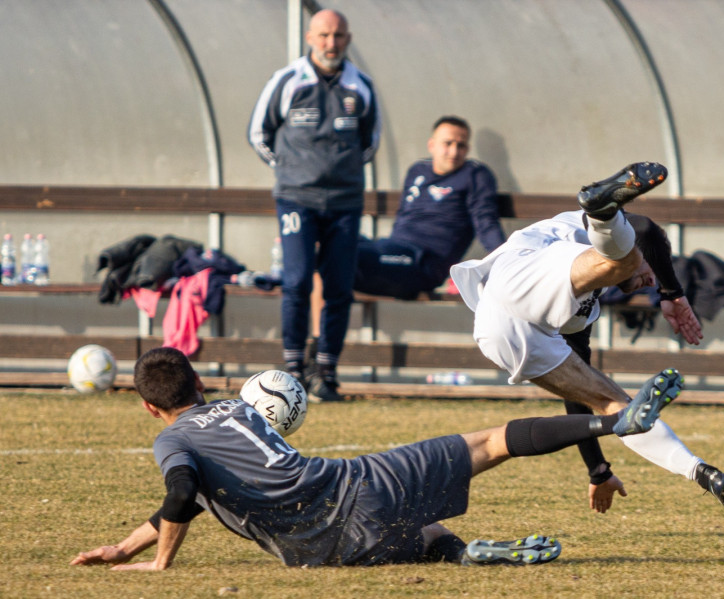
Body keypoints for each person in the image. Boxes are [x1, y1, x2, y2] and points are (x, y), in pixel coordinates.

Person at [70, 347, 682, 569]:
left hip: (311, 550)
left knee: (417, 527)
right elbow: (184, 497)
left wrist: (137, 556)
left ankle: (466, 555)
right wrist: (145, 558)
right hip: (357, 487)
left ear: (151, 409)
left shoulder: (172, 440)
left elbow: (188, 494)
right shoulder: (235, 409)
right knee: (492, 441)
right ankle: (615, 420)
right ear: (200, 383)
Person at [450, 162, 724, 527]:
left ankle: (703, 473)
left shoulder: (584, 309)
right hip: (514, 280)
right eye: (651, 274)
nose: (648, 282)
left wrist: (598, 470)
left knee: (618, 408)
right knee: (622, 259)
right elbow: (647, 229)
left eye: (651, 281)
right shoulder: (565, 232)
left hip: (501, 335)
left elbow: (578, 400)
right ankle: (602, 211)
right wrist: (672, 293)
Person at [248, 8, 381, 403]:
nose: (331, 43)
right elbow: (258, 133)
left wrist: (341, 172)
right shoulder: (287, 80)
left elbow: (370, 142)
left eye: (338, 35)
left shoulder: (362, 85)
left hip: (344, 202)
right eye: (323, 35)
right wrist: (291, 170)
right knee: (297, 281)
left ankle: (327, 371)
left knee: (339, 286)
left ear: (348, 39)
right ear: (310, 37)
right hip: (296, 199)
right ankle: (293, 369)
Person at [354, 115, 506, 299]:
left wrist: (507, 261)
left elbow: (485, 222)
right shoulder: (418, 170)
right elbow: (403, 216)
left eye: (461, 145)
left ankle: (320, 327)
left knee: (341, 256)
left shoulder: (474, 174)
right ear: (431, 145)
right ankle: (318, 327)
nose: (454, 151)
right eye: (447, 143)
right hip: (393, 251)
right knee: (331, 243)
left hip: (424, 262)